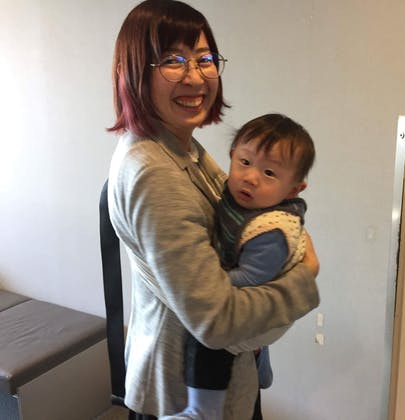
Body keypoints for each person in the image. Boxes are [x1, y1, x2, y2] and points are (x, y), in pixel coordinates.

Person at [106, 1, 320, 419]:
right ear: (134, 71)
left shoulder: (181, 147)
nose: (195, 76)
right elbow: (217, 321)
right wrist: (304, 277)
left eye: (204, 59)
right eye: (173, 60)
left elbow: (254, 209)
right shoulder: (154, 171)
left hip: (213, 375)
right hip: (184, 392)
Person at [184, 113, 315, 419]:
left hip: (264, 298)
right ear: (231, 156)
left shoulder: (271, 230)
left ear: (294, 189)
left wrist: (213, 279)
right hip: (256, 298)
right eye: (244, 162)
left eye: (269, 173)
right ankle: (261, 366)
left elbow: (254, 277)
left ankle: (202, 409)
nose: (251, 177)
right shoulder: (237, 197)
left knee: (210, 343)